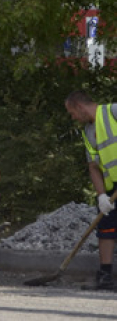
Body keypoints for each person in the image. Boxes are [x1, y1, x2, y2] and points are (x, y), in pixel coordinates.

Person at [65, 90, 117, 290]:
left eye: (72, 113)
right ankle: (105, 275)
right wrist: (101, 195)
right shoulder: (88, 131)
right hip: (112, 187)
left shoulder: (112, 111)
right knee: (106, 228)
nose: (73, 118)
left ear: (79, 106)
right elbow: (93, 166)